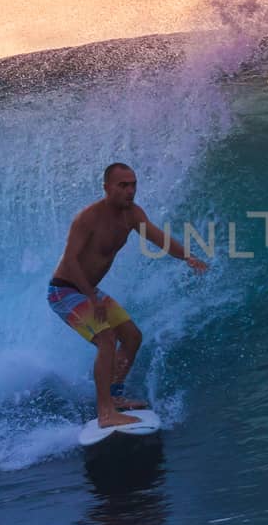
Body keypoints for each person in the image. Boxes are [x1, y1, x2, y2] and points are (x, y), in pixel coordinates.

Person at [48, 162, 209, 427]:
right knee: (106, 338)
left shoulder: (132, 215)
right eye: (123, 185)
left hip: (88, 290)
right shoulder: (88, 218)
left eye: (133, 184)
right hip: (64, 290)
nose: (130, 190)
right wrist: (91, 297)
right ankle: (106, 413)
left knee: (132, 337)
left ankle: (115, 396)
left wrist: (188, 257)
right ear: (107, 187)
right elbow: (72, 261)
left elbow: (159, 239)